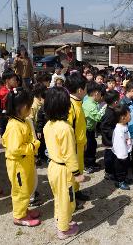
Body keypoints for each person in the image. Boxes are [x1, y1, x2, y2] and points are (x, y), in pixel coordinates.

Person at [43, 87, 86, 240]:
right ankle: (64, 228)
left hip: (53, 166)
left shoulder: (48, 124)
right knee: (67, 200)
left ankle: (59, 219)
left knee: (58, 197)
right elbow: (69, 154)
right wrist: (77, 173)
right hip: (63, 169)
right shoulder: (66, 128)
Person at [2, 88, 41, 226]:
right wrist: (33, 146)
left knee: (27, 186)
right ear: (23, 107)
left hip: (25, 161)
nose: (31, 109)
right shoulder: (14, 126)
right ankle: (19, 216)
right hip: (18, 164)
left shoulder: (22, 121)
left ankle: (24, 210)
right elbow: (15, 148)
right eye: (30, 106)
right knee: (21, 190)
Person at [66, 73, 89, 202]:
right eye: (85, 88)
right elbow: (68, 129)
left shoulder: (78, 102)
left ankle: (76, 190)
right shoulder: (71, 105)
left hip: (80, 144)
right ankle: (71, 197)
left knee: (79, 168)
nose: (86, 90)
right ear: (80, 90)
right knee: (73, 171)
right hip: (73, 145)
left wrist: (84, 141)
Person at [82, 82, 106, 174]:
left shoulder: (89, 100)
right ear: (96, 93)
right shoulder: (90, 105)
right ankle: (87, 165)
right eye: (100, 94)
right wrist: (104, 108)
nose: (101, 96)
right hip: (87, 130)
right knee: (88, 148)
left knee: (93, 146)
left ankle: (91, 162)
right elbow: (98, 117)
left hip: (91, 129)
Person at [111, 104, 133, 190]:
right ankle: (120, 181)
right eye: (129, 114)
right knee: (120, 169)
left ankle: (124, 178)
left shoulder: (124, 126)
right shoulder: (119, 131)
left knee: (125, 168)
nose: (130, 115)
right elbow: (119, 144)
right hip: (120, 155)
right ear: (123, 117)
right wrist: (123, 155)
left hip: (125, 152)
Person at [100, 90, 120, 180]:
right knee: (109, 156)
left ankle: (113, 169)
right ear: (115, 102)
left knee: (113, 155)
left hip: (113, 139)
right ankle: (108, 172)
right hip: (109, 140)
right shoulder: (109, 113)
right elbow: (104, 127)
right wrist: (114, 133)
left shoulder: (112, 110)